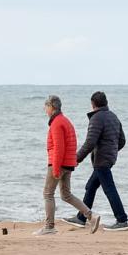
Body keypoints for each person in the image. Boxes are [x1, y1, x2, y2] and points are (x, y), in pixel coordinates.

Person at [64, 91, 128, 231]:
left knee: (109, 189)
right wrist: (112, 151)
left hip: (102, 160)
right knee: (91, 186)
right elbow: (122, 141)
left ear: (93, 104)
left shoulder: (97, 118)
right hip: (109, 158)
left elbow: (90, 143)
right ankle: (81, 218)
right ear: (106, 102)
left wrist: (76, 159)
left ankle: (122, 220)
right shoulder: (113, 117)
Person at [37, 95, 100, 236]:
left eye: (46, 107)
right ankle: (91, 216)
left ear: (52, 107)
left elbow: (59, 147)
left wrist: (56, 167)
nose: (45, 110)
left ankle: (49, 226)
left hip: (58, 163)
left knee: (48, 194)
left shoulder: (57, 123)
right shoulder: (65, 121)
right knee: (66, 194)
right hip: (68, 163)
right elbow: (71, 143)